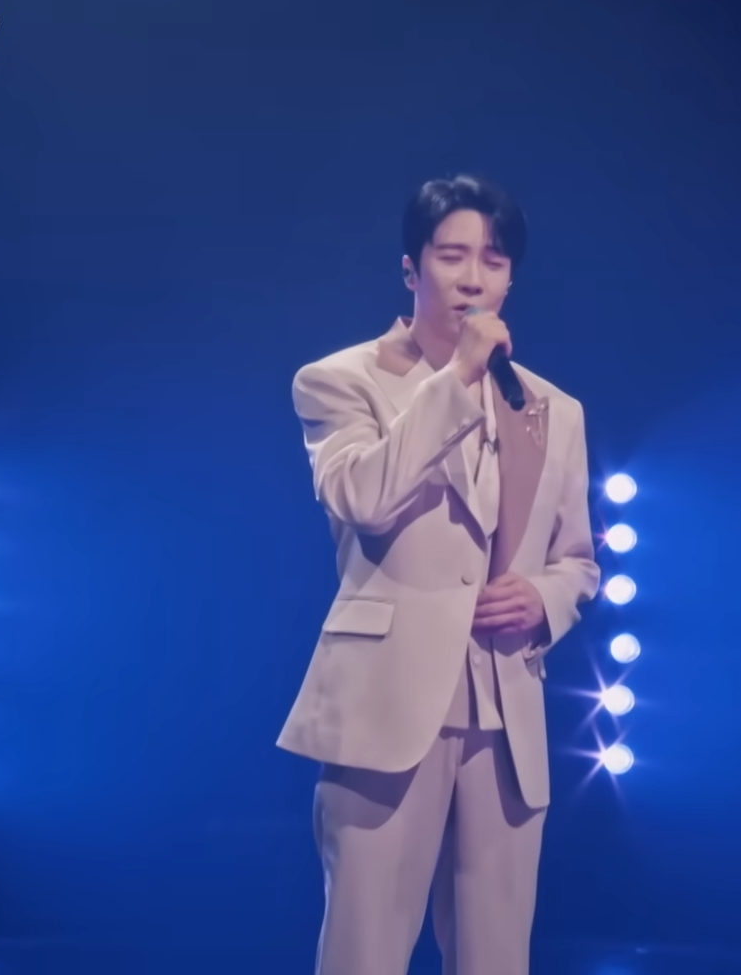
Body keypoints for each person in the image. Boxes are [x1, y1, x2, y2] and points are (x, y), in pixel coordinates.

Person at [277, 174, 601, 975]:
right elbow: (364, 495)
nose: (472, 278)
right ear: (410, 269)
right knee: (365, 954)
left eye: (493, 260)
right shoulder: (341, 380)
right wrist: (454, 378)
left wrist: (545, 598)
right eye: (451, 257)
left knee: (496, 959)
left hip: (505, 715)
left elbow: (578, 560)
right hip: (387, 705)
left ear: (510, 278)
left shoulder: (554, 410)